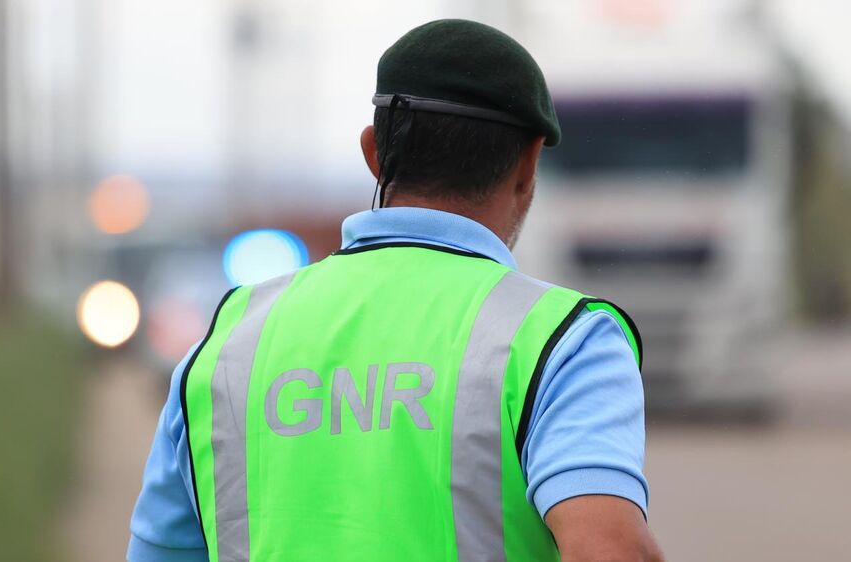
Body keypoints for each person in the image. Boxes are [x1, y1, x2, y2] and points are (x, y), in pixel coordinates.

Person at [128, 19, 664, 562]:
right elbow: (610, 550)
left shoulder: (230, 335)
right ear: (528, 165)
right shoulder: (564, 341)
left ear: (374, 153)